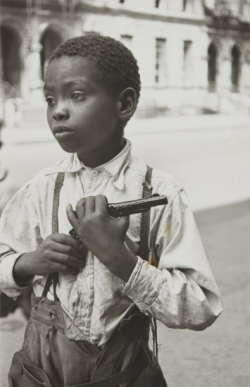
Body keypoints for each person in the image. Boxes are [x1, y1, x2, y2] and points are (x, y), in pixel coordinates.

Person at [0, 35, 222, 387]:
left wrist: (119, 259)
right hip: (42, 371)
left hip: (124, 373)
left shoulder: (160, 193)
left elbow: (200, 307)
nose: (58, 109)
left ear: (125, 104)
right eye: (49, 99)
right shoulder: (40, 189)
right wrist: (28, 263)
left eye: (76, 95)